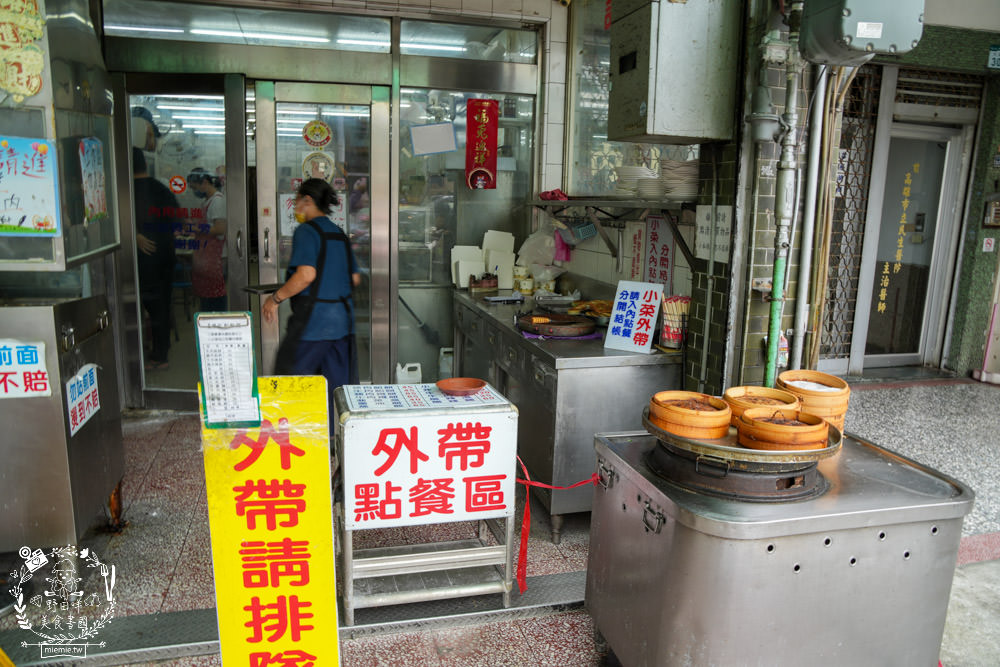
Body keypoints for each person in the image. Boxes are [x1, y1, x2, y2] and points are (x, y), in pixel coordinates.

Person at [263, 178, 362, 400]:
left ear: (307, 200)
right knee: (336, 391)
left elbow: (306, 275)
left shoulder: (307, 231)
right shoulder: (339, 233)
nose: (296, 206)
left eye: (297, 200)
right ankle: (333, 434)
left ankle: (298, 434)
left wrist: (275, 299)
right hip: (343, 323)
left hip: (314, 324)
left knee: (292, 384)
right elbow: (354, 278)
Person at [132, 147, 178, 371]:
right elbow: (176, 224)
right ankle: (161, 354)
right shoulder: (163, 190)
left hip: (143, 262)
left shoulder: (126, 193)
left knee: (139, 307)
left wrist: (135, 236)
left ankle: (145, 356)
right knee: (162, 306)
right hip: (166, 258)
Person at [188, 168, 227, 311]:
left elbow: (219, 229)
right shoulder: (207, 202)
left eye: (195, 187)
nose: (194, 191)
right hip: (205, 258)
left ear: (205, 182)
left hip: (215, 258)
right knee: (206, 301)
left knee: (215, 300)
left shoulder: (217, 201)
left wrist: (195, 228)